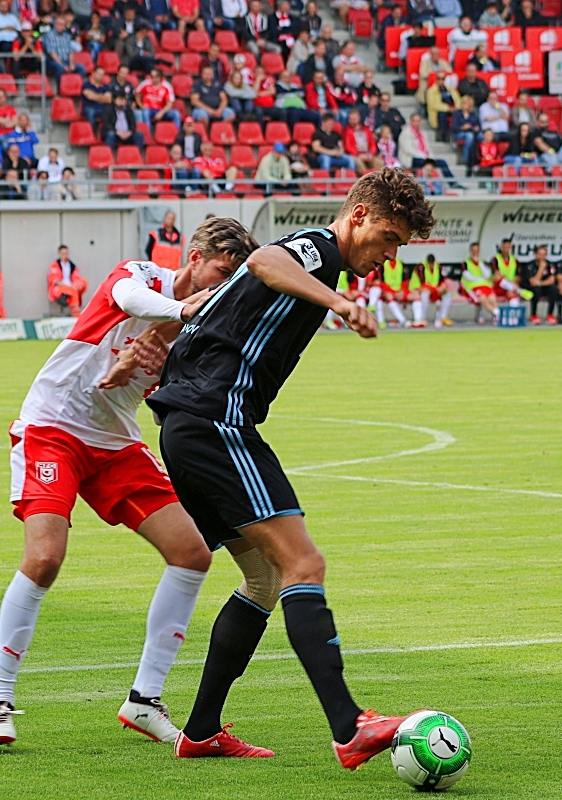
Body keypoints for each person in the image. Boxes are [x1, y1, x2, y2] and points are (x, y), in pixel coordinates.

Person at [145, 169, 434, 765]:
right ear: (356, 215)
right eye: (386, 237)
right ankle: (350, 727)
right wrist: (342, 303)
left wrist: (152, 349)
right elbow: (265, 264)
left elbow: (216, 313)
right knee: (303, 561)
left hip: (187, 426)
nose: (388, 254)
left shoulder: (318, 256)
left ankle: (199, 732)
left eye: (398, 246)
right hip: (215, 422)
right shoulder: (317, 251)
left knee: (264, 578)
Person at [0, 217, 260, 746]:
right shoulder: (141, 277)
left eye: (230, 280)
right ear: (194, 257)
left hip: (115, 443)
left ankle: (144, 701)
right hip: (53, 427)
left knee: (193, 553)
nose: (221, 287)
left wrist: (153, 365)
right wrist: (176, 316)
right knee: (44, 558)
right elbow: (129, 300)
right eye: (219, 273)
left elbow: (167, 404)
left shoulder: (198, 333)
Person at [409, 254, 452, 328]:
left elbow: (442, 280)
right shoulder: (421, 267)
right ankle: (422, 318)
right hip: (418, 289)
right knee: (424, 295)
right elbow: (423, 285)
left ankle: (443, 317)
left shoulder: (438, 266)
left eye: (432, 263)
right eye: (429, 263)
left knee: (448, 294)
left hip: (433, 290)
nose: (431, 265)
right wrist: (435, 289)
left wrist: (443, 287)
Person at [461, 242, 499, 323]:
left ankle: (495, 316)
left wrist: (479, 263)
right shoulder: (466, 263)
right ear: (470, 251)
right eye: (473, 251)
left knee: (492, 298)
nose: (475, 253)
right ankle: (497, 313)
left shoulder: (483, 262)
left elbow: (487, 275)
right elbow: (468, 277)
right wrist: (481, 279)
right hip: (473, 286)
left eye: (477, 251)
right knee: (482, 298)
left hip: (485, 285)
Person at [45, 245, 88, 316]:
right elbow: (55, 280)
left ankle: (74, 310)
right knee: (72, 291)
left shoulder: (72, 266)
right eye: (63, 254)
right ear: (59, 254)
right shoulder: (55, 265)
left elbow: (76, 278)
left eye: (66, 253)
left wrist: (72, 286)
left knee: (84, 282)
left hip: (72, 287)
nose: (65, 255)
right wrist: (68, 287)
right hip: (60, 289)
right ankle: (76, 315)